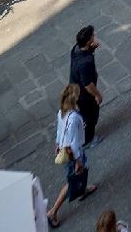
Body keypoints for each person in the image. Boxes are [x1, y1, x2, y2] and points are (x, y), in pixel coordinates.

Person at [47, 84, 98, 228]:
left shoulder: (61, 112)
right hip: (73, 154)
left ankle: (83, 189)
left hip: (64, 149)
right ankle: (53, 211)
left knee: (77, 175)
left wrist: (57, 144)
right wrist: (78, 160)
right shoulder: (75, 117)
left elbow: (59, 131)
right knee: (72, 180)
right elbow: (75, 142)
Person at [69, 26, 103, 148]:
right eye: (93, 36)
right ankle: (88, 140)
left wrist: (92, 49)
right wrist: (97, 95)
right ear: (88, 41)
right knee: (91, 117)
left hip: (75, 89)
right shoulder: (86, 63)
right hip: (84, 96)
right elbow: (88, 85)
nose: (94, 37)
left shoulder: (76, 49)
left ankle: (83, 134)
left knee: (85, 115)